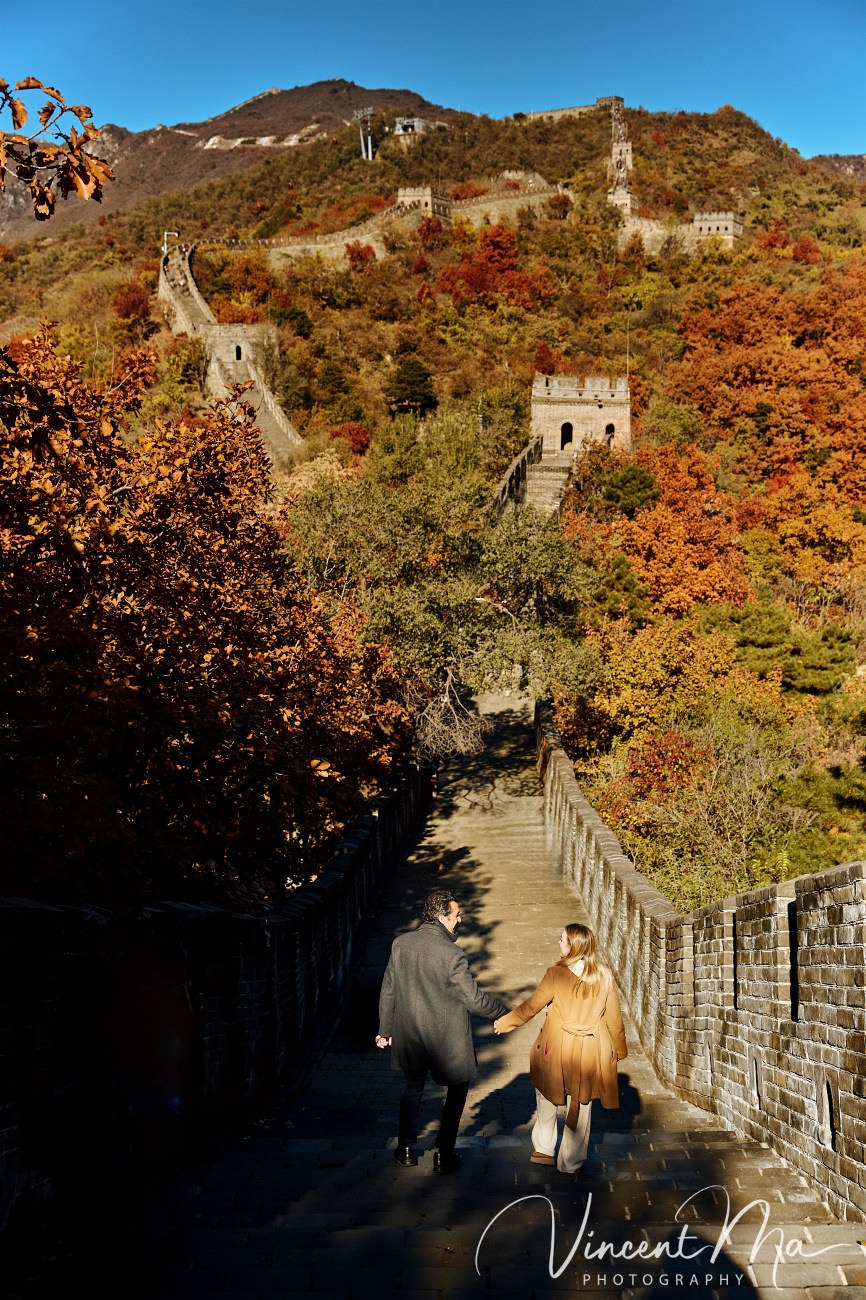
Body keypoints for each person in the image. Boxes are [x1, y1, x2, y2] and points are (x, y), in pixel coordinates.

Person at [376, 890, 508, 1174]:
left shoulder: (401, 944)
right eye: (456, 915)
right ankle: (444, 1152)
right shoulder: (452, 954)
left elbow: (389, 990)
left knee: (412, 1090)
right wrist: (504, 1012)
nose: (460, 920)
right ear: (441, 917)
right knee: (457, 1090)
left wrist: (385, 1028)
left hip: (411, 1034)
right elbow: (473, 1000)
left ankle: (407, 1149)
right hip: (446, 1038)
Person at [494, 923, 627, 1174]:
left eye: (563, 940)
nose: (559, 943)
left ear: (573, 947)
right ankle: (570, 1161)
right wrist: (619, 1050)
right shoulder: (604, 975)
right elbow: (614, 1018)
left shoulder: (556, 974)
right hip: (589, 1050)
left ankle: (544, 1149)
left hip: (556, 1047)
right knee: (582, 1103)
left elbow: (531, 1006)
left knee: (546, 1093)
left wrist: (505, 1023)